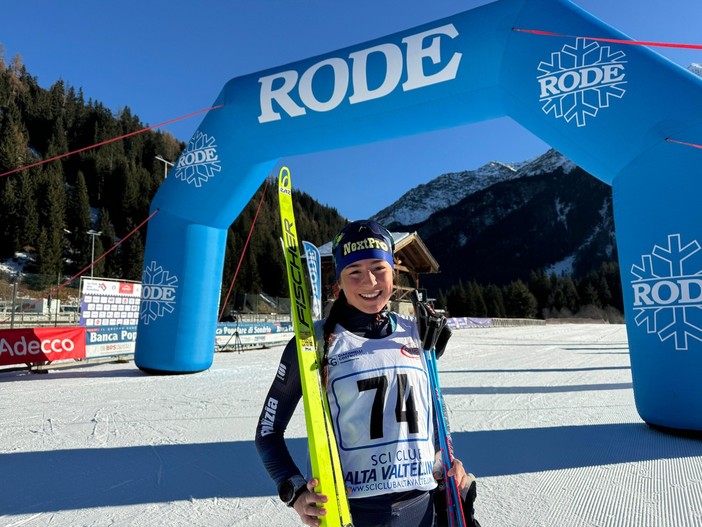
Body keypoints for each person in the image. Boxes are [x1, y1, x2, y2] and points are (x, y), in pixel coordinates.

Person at [255, 220, 478, 527]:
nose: (370, 281)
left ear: (393, 271)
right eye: (355, 271)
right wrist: (294, 491)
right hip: (351, 514)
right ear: (339, 280)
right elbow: (268, 431)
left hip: (423, 511)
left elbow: (428, 413)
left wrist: (446, 463)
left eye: (378, 268)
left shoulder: (418, 333)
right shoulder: (314, 343)